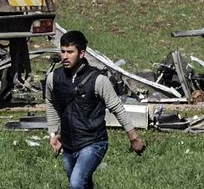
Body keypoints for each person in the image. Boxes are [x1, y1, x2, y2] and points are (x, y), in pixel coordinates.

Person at [46, 30, 145, 189]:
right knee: (83, 184)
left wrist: (133, 137)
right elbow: (50, 103)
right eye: (63, 51)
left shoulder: (98, 80)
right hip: (69, 144)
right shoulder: (54, 78)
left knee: (76, 184)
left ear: (82, 53)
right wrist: (53, 134)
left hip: (93, 143)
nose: (65, 56)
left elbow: (117, 108)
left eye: (70, 52)